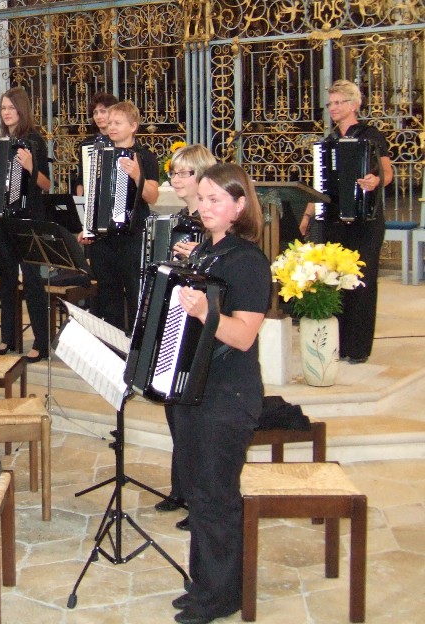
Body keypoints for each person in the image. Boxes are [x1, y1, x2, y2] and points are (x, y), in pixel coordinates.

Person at [171, 163, 271, 624]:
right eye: (203, 197)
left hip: (228, 396)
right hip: (198, 389)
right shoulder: (209, 252)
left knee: (216, 496)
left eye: (216, 199)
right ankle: (205, 584)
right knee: (198, 492)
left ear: (240, 205)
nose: (205, 206)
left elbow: (244, 335)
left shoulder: (248, 260)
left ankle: (222, 595)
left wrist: (203, 312)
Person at [299, 79, 393, 364]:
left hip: (365, 221)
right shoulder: (327, 142)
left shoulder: (371, 136)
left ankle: (358, 347)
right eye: (330, 103)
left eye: (339, 102)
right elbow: (320, 185)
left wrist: (375, 180)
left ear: (354, 105)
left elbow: (387, 172)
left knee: (362, 282)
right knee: (334, 280)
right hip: (333, 220)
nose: (333, 108)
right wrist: (308, 214)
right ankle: (336, 344)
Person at [154, 144, 217, 528]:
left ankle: (200, 499)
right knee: (173, 405)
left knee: (193, 415)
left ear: (203, 176)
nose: (175, 180)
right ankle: (180, 488)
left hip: (199, 326)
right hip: (175, 320)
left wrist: (199, 256)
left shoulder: (213, 226)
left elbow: (220, 280)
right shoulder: (178, 219)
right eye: (173, 173)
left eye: (183, 173)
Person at [0, 87, 52, 362]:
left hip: (29, 218)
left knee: (33, 281)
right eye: (3, 108)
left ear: (22, 110)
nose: (6, 112)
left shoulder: (34, 141)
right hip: (4, 220)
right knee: (7, 280)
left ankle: (41, 342)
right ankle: (8, 338)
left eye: (11, 108)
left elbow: (46, 185)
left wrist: (30, 167)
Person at [84, 101, 160, 333]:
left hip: (132, 238)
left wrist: (137, 175)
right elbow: (93, 195)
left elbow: (152, 196)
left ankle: (136, 345)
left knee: (136, 294)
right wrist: (88, 227)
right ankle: (113, 344)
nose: (111, 127)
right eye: (110, 123)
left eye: (118, 123)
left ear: (133, 126)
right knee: (108, 298)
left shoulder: (145, 157)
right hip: (103, 240)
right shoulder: (97, 155)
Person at [75, 91, 119, 196]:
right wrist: (82, 200)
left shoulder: (121, 140)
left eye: (103, 111)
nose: (98, 116)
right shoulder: (87, 144)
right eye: (95, 113)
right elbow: (81, 179)